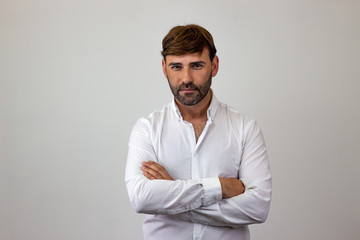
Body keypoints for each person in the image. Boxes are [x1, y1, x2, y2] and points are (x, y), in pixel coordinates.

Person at [125, 24, 272, 240]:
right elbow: (141, 199)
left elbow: (257, 207)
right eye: (176, 67)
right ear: (164, 68)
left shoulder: (245, 128)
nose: (186, 78)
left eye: (196, 65)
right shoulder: (147, 129)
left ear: (214, 66)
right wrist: (219, 187)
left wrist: (171, 195)